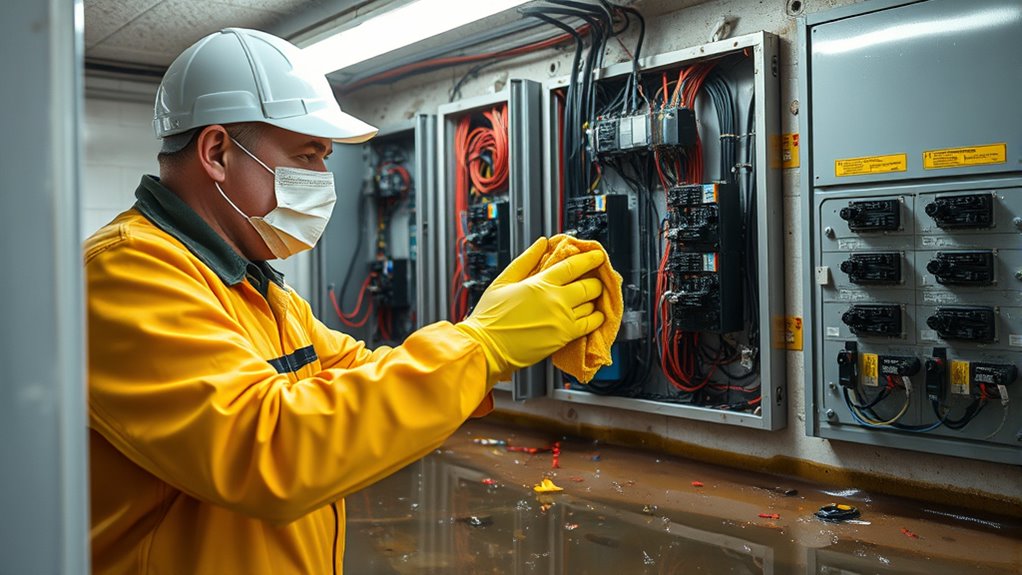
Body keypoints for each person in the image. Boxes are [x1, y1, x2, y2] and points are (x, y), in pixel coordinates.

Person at [85, 28, 607, 574]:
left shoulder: (254, 288)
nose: (323, 179)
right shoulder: (127, 272)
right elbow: (269, 451)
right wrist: (481, 347)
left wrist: (487, 331)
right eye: (307, 155)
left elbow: (361, 378)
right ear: (216, 152)